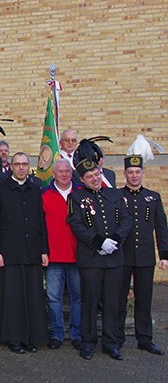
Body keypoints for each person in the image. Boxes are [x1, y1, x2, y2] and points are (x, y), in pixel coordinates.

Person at [67, 158, 132, 361]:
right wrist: (98, 243)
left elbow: (126, 219)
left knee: (112, 303)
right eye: (89, 177)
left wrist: (114, 241)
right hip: (91, 260)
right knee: (90, 302)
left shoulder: (115, 193)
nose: (94, 179)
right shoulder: (75, 197)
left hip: (114, 259)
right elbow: (76, 224)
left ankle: (111, 343)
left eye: (96, 175)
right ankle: (88, 343)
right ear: (82, 179)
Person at [0, 152, 49, 354]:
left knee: (33, 297)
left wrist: (43, 250)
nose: (21, 168)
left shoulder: (36, 189)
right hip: (9, 253)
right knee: (13, 299)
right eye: (18, 164)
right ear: (11, 167)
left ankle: (31, 337)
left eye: (25, 164)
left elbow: (41, 222)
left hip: (32, 252)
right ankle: (14, 338)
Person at [116, 152, 168, 355]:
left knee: (144, 298)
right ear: (125, 173)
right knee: (119, 298)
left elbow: (161, 228)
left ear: (143, 173)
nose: (134, 175)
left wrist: (164, 255)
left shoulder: (153, 198)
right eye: (130, 172)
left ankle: (145, 338)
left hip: (145, 257)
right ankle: (117, 337)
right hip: (122, 256)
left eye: (138, 172)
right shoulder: (117, 196)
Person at [42, 159, 83, 350]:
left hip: (78, 256)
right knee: (53, 297)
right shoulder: (44, 195)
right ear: (53, 173)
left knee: (78, 297)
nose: (64, 174)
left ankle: (76, 334)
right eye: (60, 171)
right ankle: (57, 333)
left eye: (67, 170)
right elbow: (39, 227)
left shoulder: (82, 193)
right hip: (54, 257)